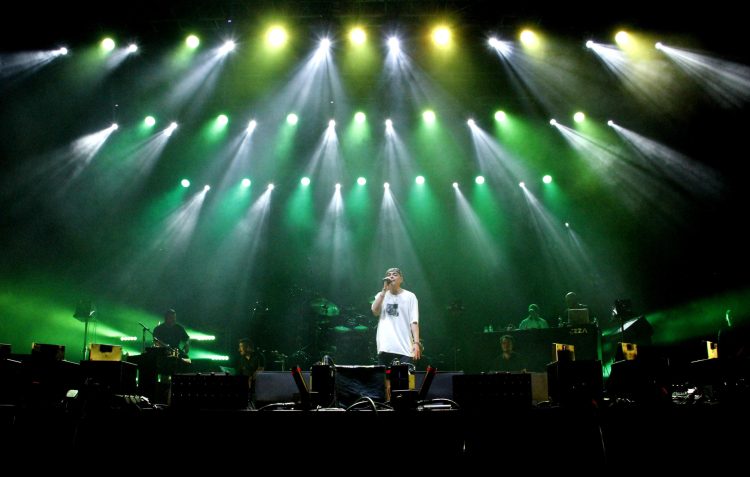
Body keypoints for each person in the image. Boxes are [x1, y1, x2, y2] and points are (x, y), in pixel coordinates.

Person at [371, 268, 421, 366]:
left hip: (404, 348)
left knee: (403, 376)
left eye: (395, 274)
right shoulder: (381, 296)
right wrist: (384, 291)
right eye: (389, 275)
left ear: (401, 279)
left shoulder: (410, 296)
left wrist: (416, 343)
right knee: (385, 376)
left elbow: (414, 321)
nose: (391, 276)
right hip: (385, 347)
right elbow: (375, 311)